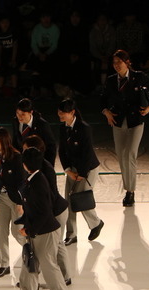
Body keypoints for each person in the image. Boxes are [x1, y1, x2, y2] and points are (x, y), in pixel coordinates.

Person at [13, 147, 71, 290]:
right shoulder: (34, 179)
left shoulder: (38, 181)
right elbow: (33, 209)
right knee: (29, 268)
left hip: (44, 232)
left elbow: (44, 211)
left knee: (47, 266)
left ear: (24, 164)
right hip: (39, 231)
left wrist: (29, 230)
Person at [100, 49, 149, 207]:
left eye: (119, 62)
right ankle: (127, 187)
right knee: (121, 156)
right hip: (118, 121)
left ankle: (130, 191)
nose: (116, 66)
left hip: (136, 121)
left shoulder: (139, 77)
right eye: (114, 63)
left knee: (130, 154)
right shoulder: (112, 80)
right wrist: (106, 111)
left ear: (127, 63)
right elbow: (102, 98)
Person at [22, 135, 72, 286]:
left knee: (56, 244)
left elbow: (48, 198)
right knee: (54, 245)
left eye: (26, 150)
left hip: (56, 211)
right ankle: (36, 277)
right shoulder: (36, 167)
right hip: (52, 211)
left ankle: (64, 277)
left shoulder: (44, 169)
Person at [57, 98, 104, 245]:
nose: (60, 115)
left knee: (81, 198)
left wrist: (82, 174)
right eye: (59, 113)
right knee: (69, 201)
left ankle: (96, 223)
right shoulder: (63, 128)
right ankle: (71, 234)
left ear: (72, 112)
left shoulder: (84, 128)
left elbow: (87, 153)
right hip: (72, 169)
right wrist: (68, 170)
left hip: (88, 169)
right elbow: (62, 151)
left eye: (63, 113)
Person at [0, 127, 26, 279]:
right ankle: (4, 265)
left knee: (18, 232)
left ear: (3, 140)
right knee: (1, 231)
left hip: (15, 200)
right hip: (1, 198)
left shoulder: (16, 157)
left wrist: (20, 202)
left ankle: (32, 255)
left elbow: (22, 181)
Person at [11, 97, 57, 166]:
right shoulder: (15, 122)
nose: (19, 117)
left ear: (31, 112)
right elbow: (15, 141)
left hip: (38, 162)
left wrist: (49, 166)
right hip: (22, 163)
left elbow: (51, 147)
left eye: (23, 114)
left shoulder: (42, 124)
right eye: (17, 113)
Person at [28, 10, 60, 98]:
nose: (46, 19)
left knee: (50, 65)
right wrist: (38, 53)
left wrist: (46, 53)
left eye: (48, 17)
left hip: (50, 51)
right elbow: (33, 44)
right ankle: (36, 89)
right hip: (38, 51)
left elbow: (55, 45)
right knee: (36, 65)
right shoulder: (37, 28)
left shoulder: (55, 29)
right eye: (44, 17)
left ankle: (47, 89)